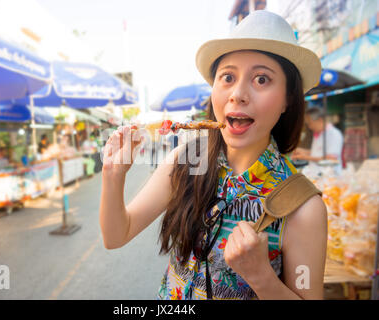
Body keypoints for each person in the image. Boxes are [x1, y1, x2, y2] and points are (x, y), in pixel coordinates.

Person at [100, 10, 327, 300]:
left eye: (261, 79)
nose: (238, 94)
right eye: (228, 77)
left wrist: (262, 277)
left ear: (287, 99)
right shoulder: (188, 160)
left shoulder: (303, 206)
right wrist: (113, 175)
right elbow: (117, 235)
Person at [292, 107, 344, 173]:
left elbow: (331, 159)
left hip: (329, 175)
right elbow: (318, 152)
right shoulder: (318, 133)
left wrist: (305, 157)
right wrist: (303, 151)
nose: (309, 127)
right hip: (315, 173)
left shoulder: (334, 134)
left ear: (320, 120)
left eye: (310, 123)